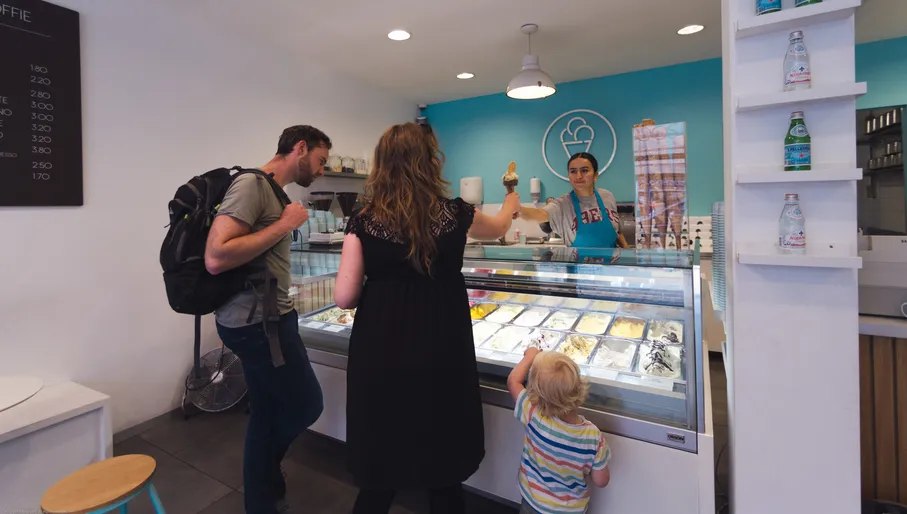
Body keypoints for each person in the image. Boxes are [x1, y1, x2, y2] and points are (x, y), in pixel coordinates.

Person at [333, 122, 521, 514]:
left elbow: (344, 296)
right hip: (442, 343)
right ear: (429, 162)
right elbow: (500, 227)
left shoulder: (363, 220)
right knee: (443, 462)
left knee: (380, 463)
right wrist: (509, 205)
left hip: (381, 345)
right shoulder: (456, 214)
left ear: (382, 165)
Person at [205, 125, 330, 514]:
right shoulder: (252, 185)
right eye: (321, 161)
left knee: (266, 409)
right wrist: (285, 224)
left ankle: (264, 491)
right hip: (257, 325)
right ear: (300, 148)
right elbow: (216, 255)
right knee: (306, 405)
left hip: (267, 318)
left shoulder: (276, 193)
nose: (322, 170)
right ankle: (262, 482)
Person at [507, 348, 611, 514]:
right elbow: (601, 480)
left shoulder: (532, 413)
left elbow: (513, 381)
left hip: (532, 501)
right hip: (568, 510)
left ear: (535, 393)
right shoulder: (592, 436)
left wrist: (529, 357)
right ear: (579, 388)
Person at [520, 152, 629, 249]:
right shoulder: (562, 204)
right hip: (579, 269)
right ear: (569, 176)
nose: (578, 176)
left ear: (596, 175)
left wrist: (627, 251)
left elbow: (617, 231)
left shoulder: (607, 196)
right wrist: (517, 209)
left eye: (584, 170)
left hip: (610, 268)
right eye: (573, 171)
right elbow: (540, 214)